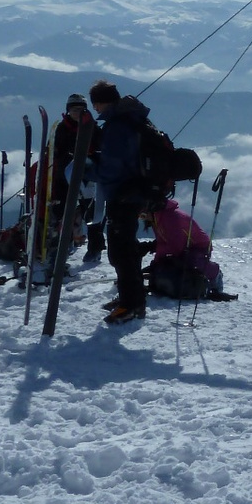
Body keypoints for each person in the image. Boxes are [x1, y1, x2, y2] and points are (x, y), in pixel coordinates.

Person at [89, 79, 154, 325]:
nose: (95, 110)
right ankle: (130, 298)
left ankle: (131, 305)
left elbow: (112, 168)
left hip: (123, 194)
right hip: (136, 191)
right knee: (125, 248)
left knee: (121, 251)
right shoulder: (134, 119)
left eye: (96, 104)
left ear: (102, 102)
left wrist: (88, 170)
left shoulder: (117, 126)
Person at [51, 93, 103, 262]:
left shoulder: (92, 127)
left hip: (86, 175)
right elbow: (55, 151)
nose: (77, 113)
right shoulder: (62, 128)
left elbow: (101, 147)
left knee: (91, 212)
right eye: (74, 109)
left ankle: (95, 248)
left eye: (81, 109)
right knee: (61, 212)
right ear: (68, 111)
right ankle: (62, 245)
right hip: (63, 176)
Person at [141, 197, 223, 297]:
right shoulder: (157, 219)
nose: (143, 219)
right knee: (173, 263)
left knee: (191, 260)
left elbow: (176, 246)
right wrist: (156, 263)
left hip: (199, 246)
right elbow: (162, 242)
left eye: (143, 215)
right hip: (184, 247)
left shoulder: (171, 218)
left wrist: (160, 255)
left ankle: (215, 273)